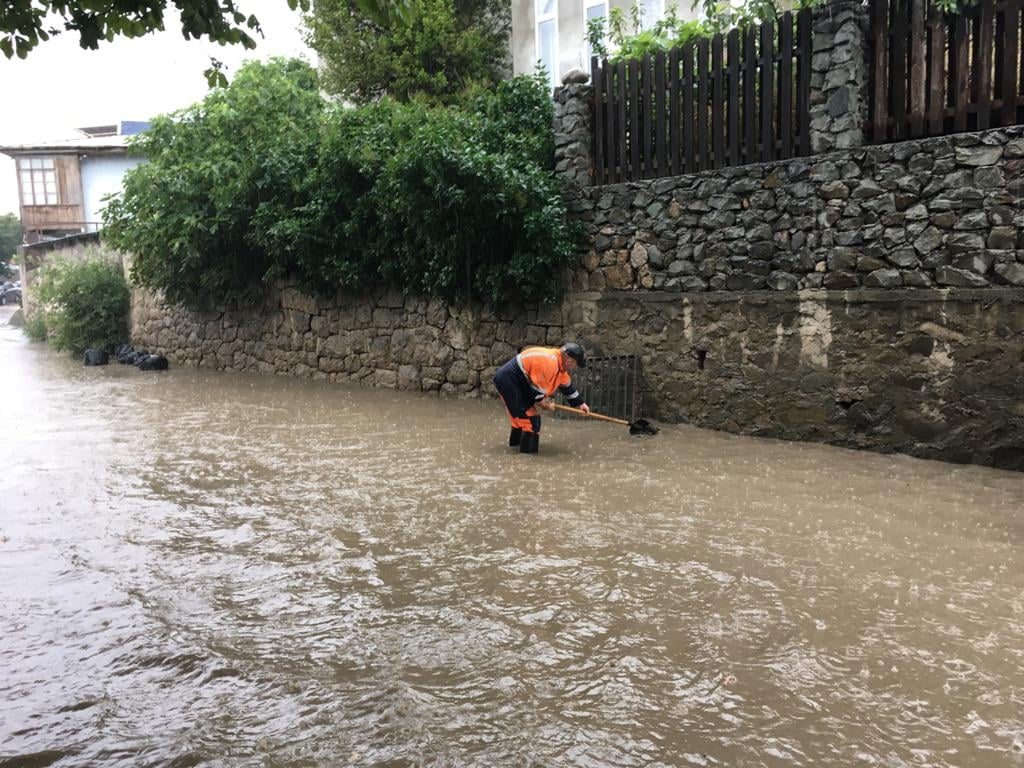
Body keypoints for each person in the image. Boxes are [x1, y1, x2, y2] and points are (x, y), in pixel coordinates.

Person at [492, 342, 590, 454]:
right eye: (576, 365)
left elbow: (567, 387)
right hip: (509, 381)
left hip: (516, 382)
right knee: (531, 422)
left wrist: (580, 404)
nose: (575, 368)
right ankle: (527, 464)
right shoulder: (549, 364)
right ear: (569, 361)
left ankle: (514, 452)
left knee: (520, 421)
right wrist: (547, 405)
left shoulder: (559, 365)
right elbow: (539, 398)